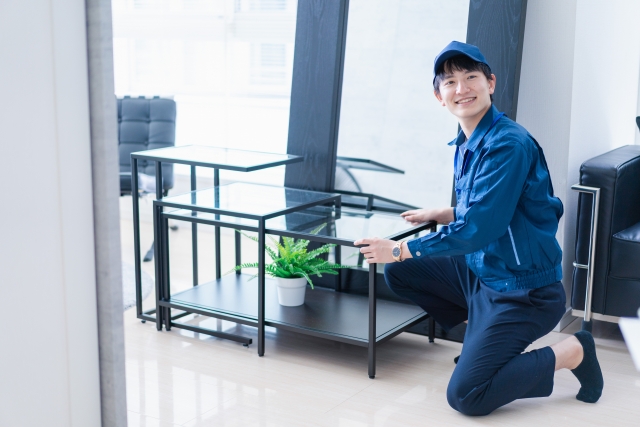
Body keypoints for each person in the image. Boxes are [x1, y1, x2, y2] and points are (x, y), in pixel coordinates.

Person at [353, 41, 604, 416]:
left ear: (490, 83)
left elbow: (480, 227)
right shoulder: (468, 141)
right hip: (483, 273)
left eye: (471, 77)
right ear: (439, 96)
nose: (462, 88)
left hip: (524, 290)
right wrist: (448, 212)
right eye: (450, 82)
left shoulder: (508, 144)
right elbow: (497, 205)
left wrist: (399, 248)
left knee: (467, 396)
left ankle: (572, 350)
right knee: (401, 272)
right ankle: (483, 334)